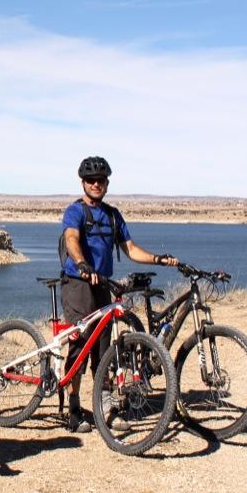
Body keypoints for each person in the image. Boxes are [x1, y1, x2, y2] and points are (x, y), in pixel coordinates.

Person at [60, 156, 178, 433]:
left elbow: (131, 249)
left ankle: (103, 406)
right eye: (91, 180)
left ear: (107, 184)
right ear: (83, 183)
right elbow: (71, 239)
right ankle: (74, 408)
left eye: (100, 180)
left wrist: (158, 259)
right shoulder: (75, 212)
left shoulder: (113, 215)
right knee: (80, 345)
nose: (96, 184)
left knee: (103, 352)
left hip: (103, 285)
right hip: (78, 284)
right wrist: (81, 264)